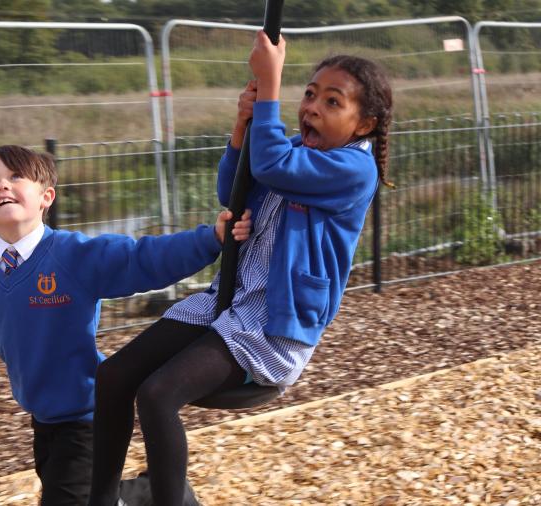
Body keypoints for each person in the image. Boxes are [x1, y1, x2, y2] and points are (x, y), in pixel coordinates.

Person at [87, 30, 394, 506]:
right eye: (309, 94)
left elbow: (271, 165)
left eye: (333, 102)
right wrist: (242, 127)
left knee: (157, 394)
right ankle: (100, 499)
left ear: (364, 124)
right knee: (113, 377)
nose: (312, 106)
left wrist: (269, 83)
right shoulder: (294, 149)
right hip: (227, 299)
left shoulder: (355, 169)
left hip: (273, 325)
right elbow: (235, 189)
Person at [0, 144, 252, 506]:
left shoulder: (74, 255)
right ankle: (148, 490)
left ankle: (149, 491)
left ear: (46, 198)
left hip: (89, 416)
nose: (2, 183)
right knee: (85, 495)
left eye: (16, 176)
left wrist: (211, 240)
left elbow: (141, 259)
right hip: (44, 418)